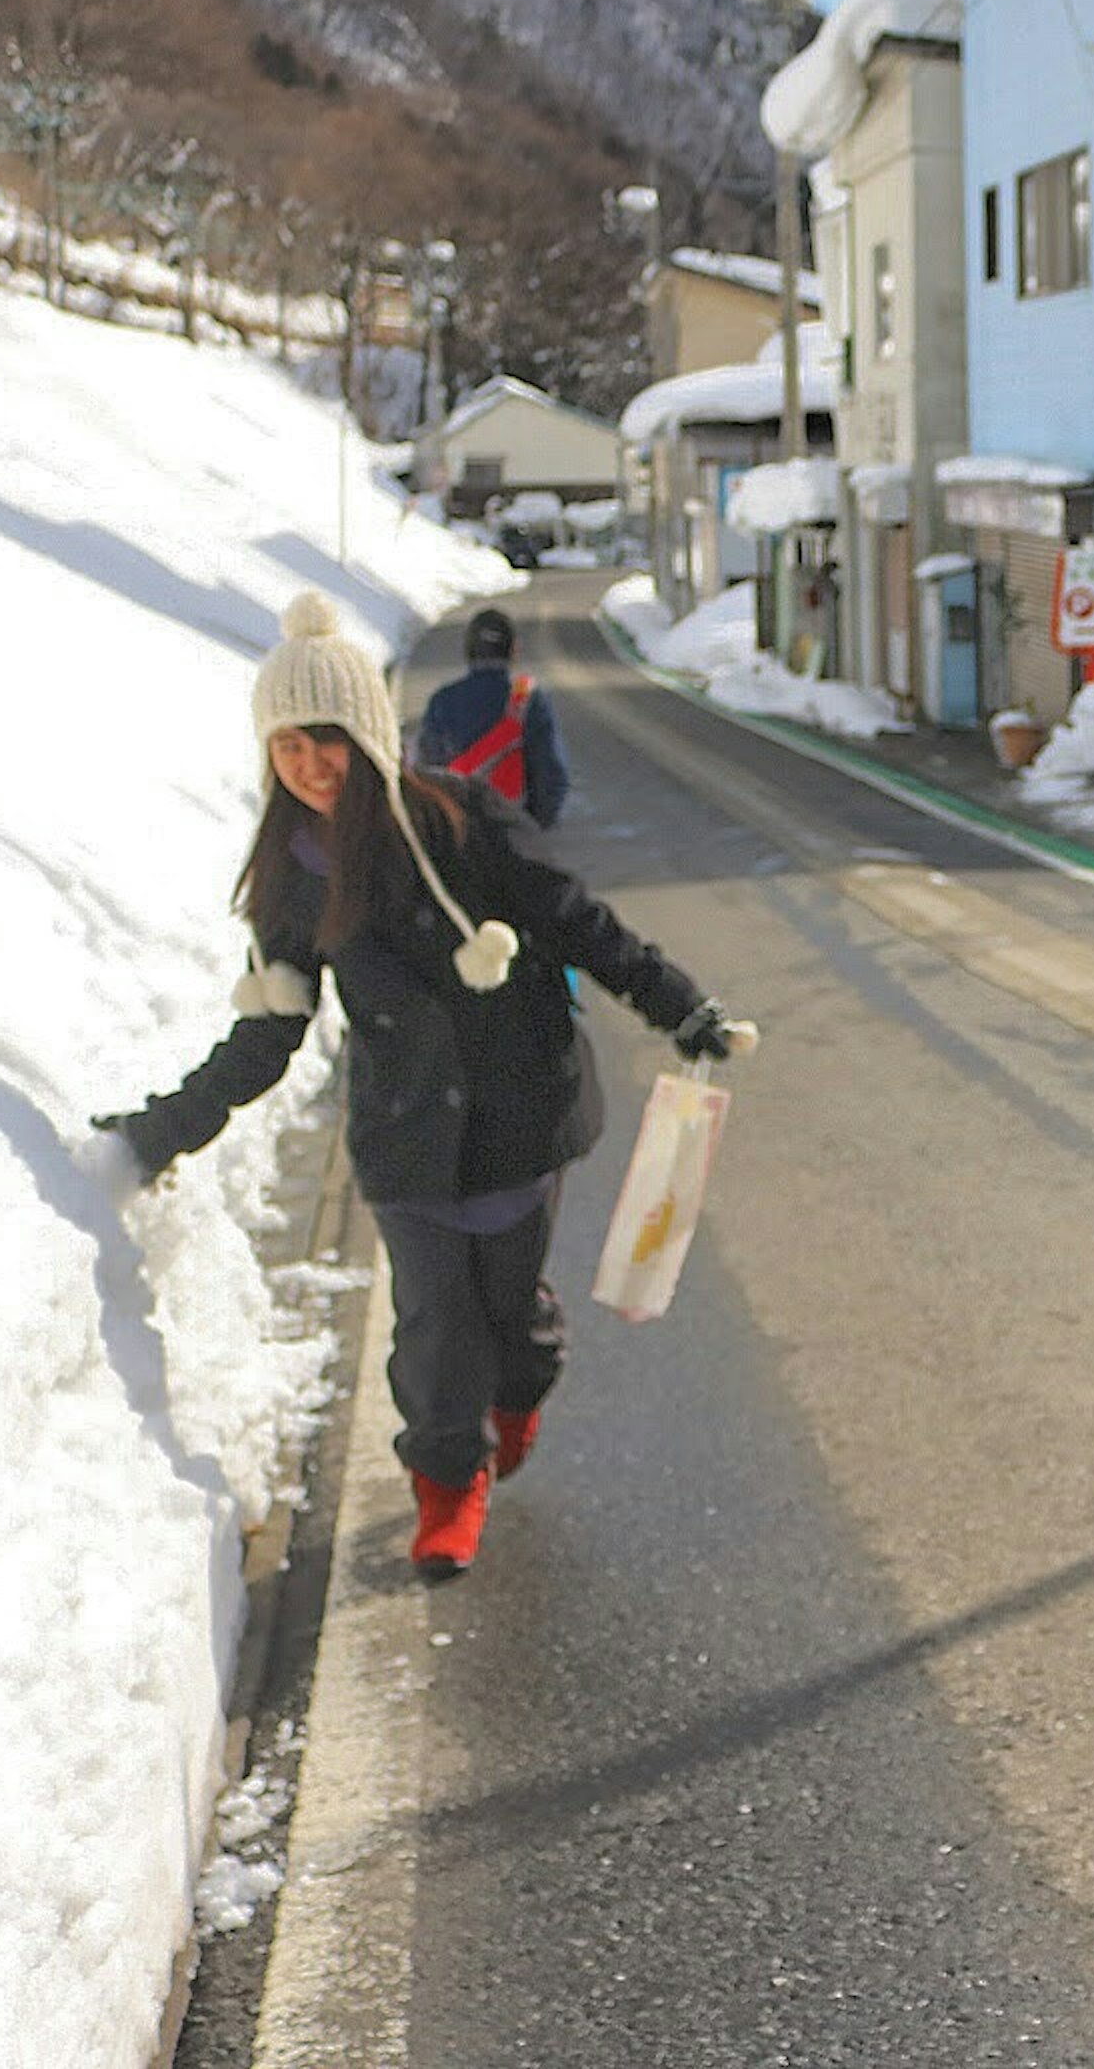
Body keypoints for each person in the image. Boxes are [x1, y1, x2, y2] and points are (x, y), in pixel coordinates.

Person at [93, 594, 752, 1579]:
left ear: (364, 731)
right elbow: (273, 1027)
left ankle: (520, 1391)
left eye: (327, 741)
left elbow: (576, 921)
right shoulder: (290, 873)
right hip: (406, 1133)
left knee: (508, 1318)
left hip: (518, 1111)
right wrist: (157, 1134)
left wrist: (679, 1007)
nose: (311, 767)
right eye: (287, 748)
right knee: (435, 1324)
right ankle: (447, 1485)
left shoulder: (463, 821)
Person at [415, 603, 570, 828]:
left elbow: (426, 771)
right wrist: (537, 825)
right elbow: (552, 775)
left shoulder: (443, 700)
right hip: (512, 828)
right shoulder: (527, 699)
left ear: (468, 650)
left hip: (456, 830)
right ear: (513, 650)